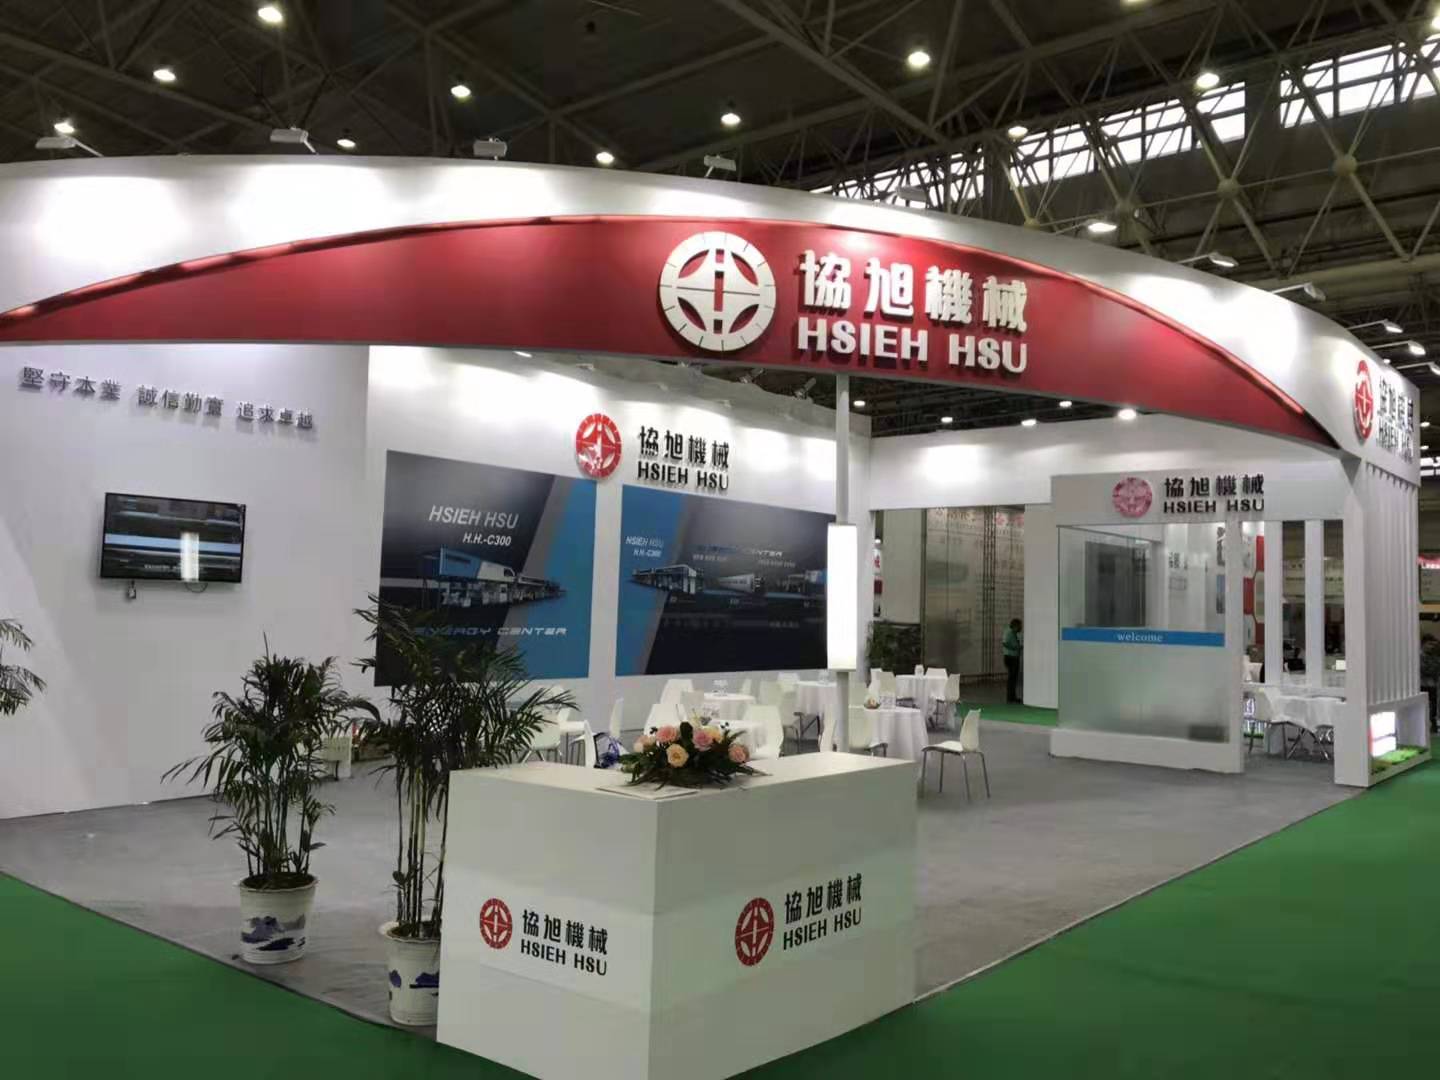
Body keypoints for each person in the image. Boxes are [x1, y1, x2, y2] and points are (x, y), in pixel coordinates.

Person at [1421, 635, 1440, 733]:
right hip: (1422, 686)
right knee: (1423, 708)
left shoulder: (1434, 657)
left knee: (1433, 707)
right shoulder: (1419, 656)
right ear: (1423, 644)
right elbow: (1425, 670)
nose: (1432, 647)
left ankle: (1433, 726)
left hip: (1432, 685)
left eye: (1433, 645)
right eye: (1429, 644)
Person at [1002, 618, 1024, 704]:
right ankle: (1010, 698)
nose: (1021, 627)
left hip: (1013, 657)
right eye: (1019, 626)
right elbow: (1005, 643)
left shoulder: (1013, 633)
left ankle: (1012, 697)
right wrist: (1016, 648)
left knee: (1013, 678)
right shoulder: (1009, 632)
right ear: (1015, 626)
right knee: (1012, 678)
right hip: (1011, 658)